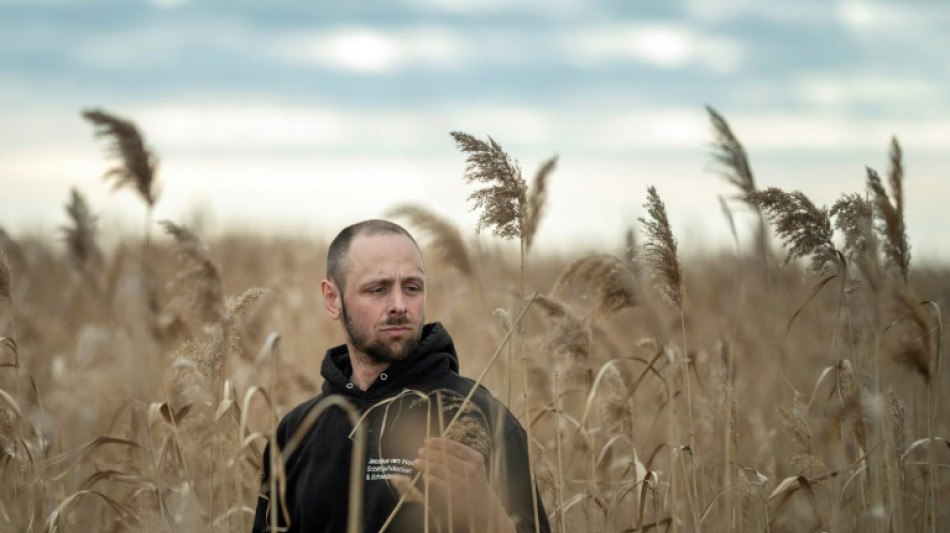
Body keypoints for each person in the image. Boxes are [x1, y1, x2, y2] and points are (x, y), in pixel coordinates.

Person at [253, 219, 550, 533]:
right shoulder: (298, 432)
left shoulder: (479, 416)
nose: (399, 305)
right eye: (377, 289)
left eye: (412, 287)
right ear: (332, 299)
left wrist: (488, 515)